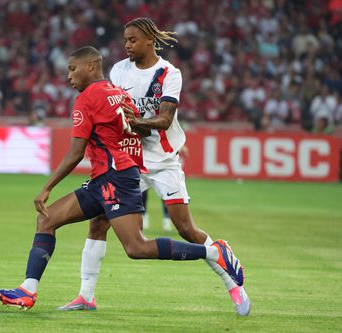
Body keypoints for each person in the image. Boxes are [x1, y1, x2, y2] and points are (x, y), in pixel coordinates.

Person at [0, 46, 243, 311]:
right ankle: (29, 290)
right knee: (47, 219)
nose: (69, 77)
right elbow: (140, 133)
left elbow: (76, 152)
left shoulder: (87, 98)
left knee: (136, 247)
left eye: (72, 69)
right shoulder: (119, 93)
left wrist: (46, 188)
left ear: (90, 66)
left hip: (115, 178)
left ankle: (214, 252)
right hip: (109, 177)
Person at [58, 18, 251, 316]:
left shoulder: (169, 74)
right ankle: (85, 296)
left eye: (133, 40)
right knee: (99, 221)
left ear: (149, 40)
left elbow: (164, 120)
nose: (127, 45)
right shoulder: (119, 71)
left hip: (162, 160)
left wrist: (135, 122)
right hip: (128, 160)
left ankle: (232, 283)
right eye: (125, 40)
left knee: (185, 228)